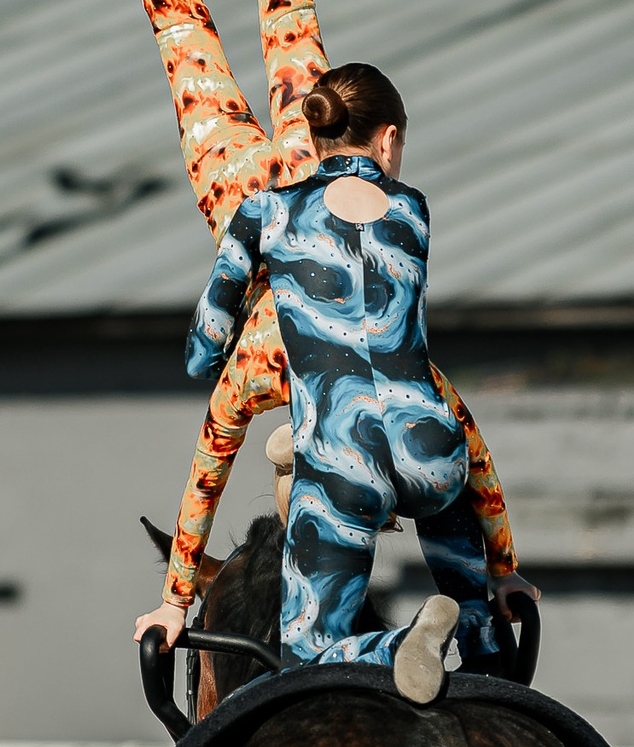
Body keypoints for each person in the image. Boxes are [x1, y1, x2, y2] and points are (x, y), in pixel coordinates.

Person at [87, 0, 536, 680]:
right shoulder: (347, 289)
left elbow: (212, 444)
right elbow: (452, 426)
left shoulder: (264, 351)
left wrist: (176, 594)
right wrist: (503, 566)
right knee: (211, 17)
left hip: (282, 170)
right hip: (289, 153)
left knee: (242, 10)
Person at [176, 60, 498, 705]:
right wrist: (506, 573)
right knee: (485, 635)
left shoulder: (265, 212)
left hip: (346, 459)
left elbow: (200, 354)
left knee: (306, 655)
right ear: (386, 140)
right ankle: (477, 629)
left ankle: (401, 643)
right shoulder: (414, 210)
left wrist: (247, 334)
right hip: (432, 446)